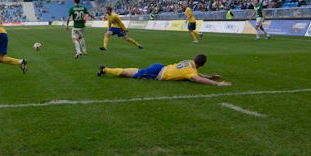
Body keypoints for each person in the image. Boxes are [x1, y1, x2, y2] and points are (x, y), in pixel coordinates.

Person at [97, 54, 231, 86]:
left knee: (136, 71)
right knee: (129, 74)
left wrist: (210, 77)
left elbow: (197, 74)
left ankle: (106, 69)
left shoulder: (189, 63)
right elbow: (197, 78)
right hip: (158, 73)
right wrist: (217, 83)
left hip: (160, 67)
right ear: (201, 64)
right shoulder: (192, 72)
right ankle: (106, 69)